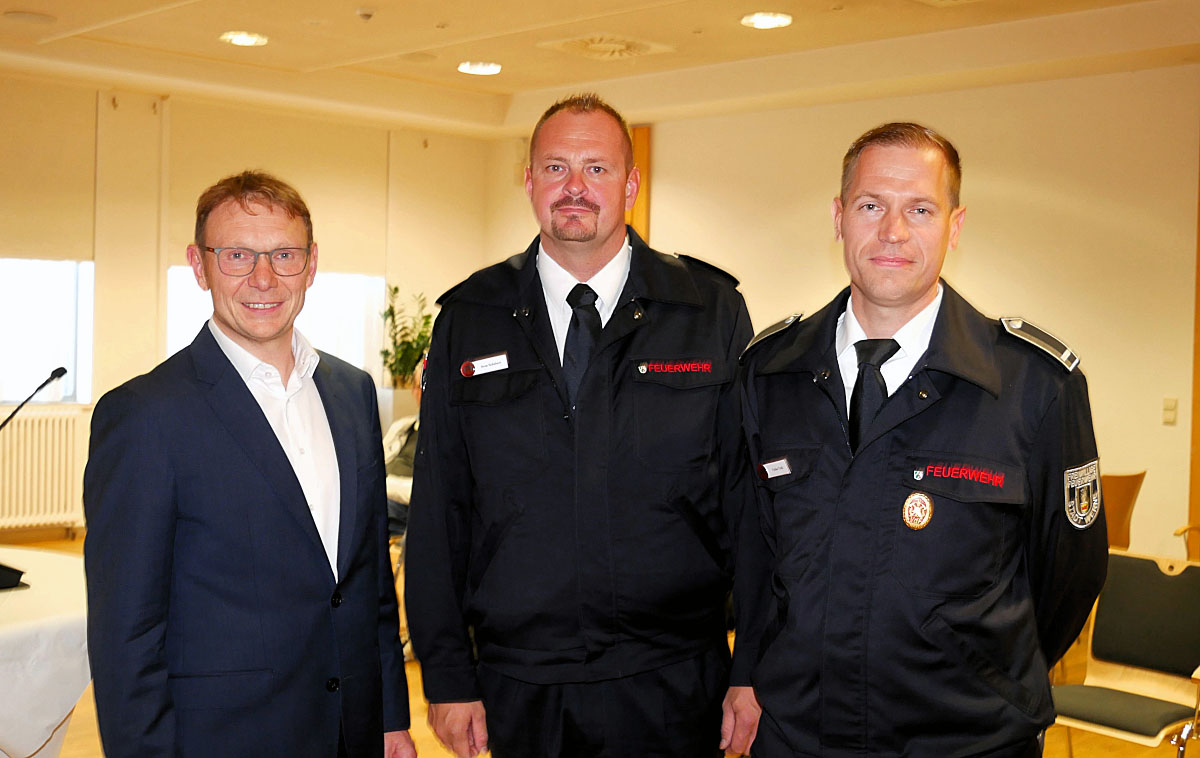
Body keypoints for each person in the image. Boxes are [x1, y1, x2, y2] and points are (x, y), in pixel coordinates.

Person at [406, 93, 761, 758]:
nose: (574, 188)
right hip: (519, 681)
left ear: (630, 183)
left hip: (674, 679)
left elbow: (750, 505)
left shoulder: (707, 310)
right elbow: (439, 510)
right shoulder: (470, 315)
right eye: (556, 167)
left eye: (596, 169)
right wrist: (448, 675)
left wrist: (754, 669)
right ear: (530, 181)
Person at [737, 122, 1108, 756]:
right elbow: (757, 554)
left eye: (920, 209)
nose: (893, 232)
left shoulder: (1032, 385)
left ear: (955, 227)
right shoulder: (771, 372)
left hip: (967, 740)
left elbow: (1067, 577)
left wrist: (987, 672)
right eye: (871, 205)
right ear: (839, 217)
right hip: (801, 735)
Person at [83, 171, 416, 758]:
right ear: (199, 264)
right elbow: (125, 634)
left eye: (284, 255)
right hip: (224, 738)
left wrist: (389, 718)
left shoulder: (351, 391)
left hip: (351, 729)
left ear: (311, 264)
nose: (263, 278)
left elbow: (366, 585)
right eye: (237, 255)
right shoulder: (145, 415)